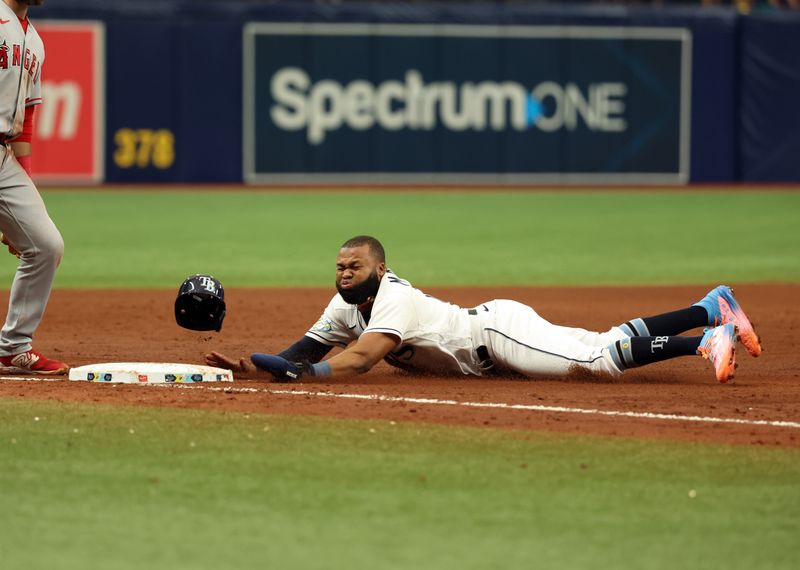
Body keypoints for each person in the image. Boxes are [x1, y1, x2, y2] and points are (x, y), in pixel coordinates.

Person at [206, 235, 761, 384]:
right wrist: (259, 367)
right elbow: (302, 352)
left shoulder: (393, 297)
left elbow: (361, 359)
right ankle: (709, 308)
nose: (343, 274)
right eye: (339, 267)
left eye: (353, 267)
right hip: (489, 338)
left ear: (378, 268)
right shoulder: (342, 305)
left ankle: (704, 342)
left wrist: (310, 376)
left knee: (597, 359)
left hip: (494, 334)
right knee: (607, 335)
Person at [0, 0, 67, 374]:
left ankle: (13, 347)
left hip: (5, 156)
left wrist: (23, 193)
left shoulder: (35, 42)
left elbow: (24, 123)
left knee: (45, 244)